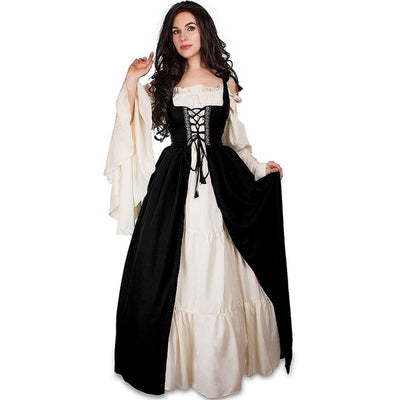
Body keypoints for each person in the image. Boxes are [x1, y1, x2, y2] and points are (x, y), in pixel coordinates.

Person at [103, 1, 293, 397]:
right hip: (174, 187)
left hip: (222, 185)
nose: (183, 37)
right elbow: (131, 124)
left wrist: (260, 168)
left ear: (204, 30)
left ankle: (218, 364)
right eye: (175, 31)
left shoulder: (225, 81)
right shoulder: (165, 83)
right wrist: (131, 79)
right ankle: (177, 361)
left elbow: (235, 142)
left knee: (221, 268)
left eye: (189, 27)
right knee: (171, 263)